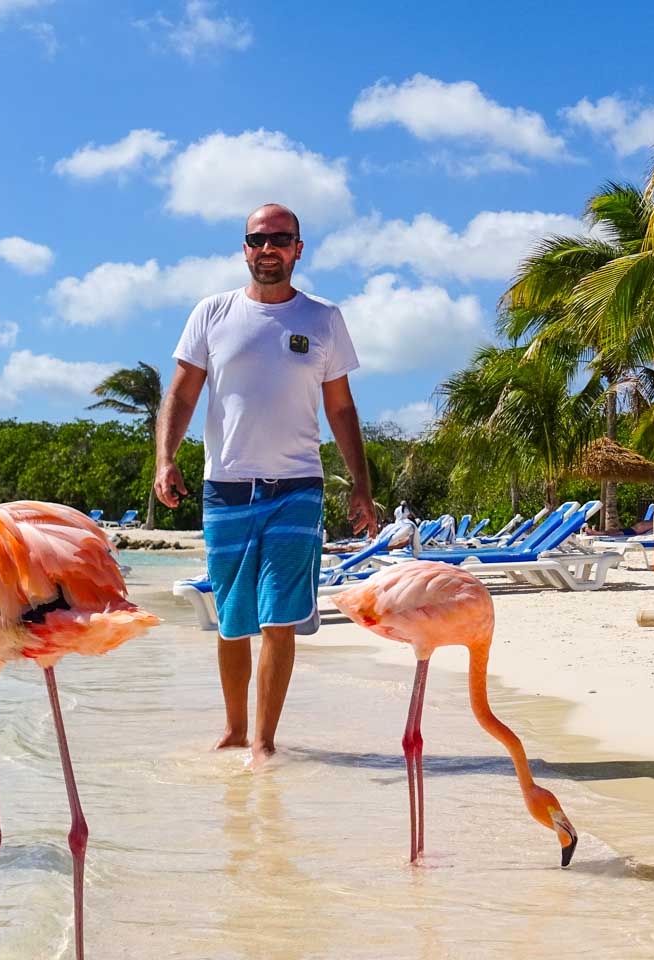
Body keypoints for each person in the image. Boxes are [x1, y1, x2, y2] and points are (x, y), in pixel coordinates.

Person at [155, 202, 376, 760]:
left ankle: (263, 742)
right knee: (233, 620)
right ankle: (233, 729)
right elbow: (182, 393)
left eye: (280, 239)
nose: (267, 249)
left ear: (299, 248)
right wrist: (166, 459)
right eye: (257, 240)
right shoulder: (212, 313)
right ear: (244, 248)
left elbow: (342, 409)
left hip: (297, 487)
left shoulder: (323, 319)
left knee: (278, 616)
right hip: (226, 485)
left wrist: (361, 484)